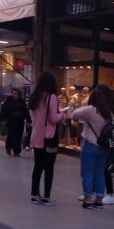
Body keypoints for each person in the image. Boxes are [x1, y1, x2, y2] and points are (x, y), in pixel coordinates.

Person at [72, 86, 114, 208]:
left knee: (87, 173)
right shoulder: (108, 113)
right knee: (100, 172)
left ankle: (88, 198)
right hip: (104, 147)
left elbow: (74, 113)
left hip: (91, 145)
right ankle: (99, 199)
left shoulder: (91, 110)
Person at [28, 72, 66, 206]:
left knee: (37, 166)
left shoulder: (35, 97)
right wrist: (62, 114)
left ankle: (34, 194)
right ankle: (47, 196)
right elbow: (53, 118)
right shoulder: (51, 97)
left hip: (36, 136)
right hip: (48, 137)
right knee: (49, 168)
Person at [1, 89, 28, 156]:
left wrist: (28, 120)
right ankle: (8, 148)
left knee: (18, 136)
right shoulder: (9, 101)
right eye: (13, 93)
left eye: (16, 93)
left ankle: (17, 151)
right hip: (11, 121)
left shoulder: (22, 101)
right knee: (11, 135)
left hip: (19, 121)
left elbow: (25, 111)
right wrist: (3, 119)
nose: (14, 95)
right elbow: (4, 110)